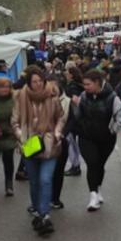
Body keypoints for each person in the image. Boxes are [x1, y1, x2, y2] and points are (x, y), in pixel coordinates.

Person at [11, 68, 65, 236]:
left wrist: (57, 132)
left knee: (45, 179)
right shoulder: (20, 97)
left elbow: (60, 118)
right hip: (30, 144)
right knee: (34, 181)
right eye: (34, 81)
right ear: (29, 83)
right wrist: (21, 136)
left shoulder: (53, 96)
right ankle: (37, 207)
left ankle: (44, 214)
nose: (38, 84)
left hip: (49, 144)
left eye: (40, 81)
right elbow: (15, 122)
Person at [67, 70, 121, 211]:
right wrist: (78, 124)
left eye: (88, 84)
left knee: (99, 165)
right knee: (92, 163)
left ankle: (97, 189)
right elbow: (78, 114)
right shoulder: (83, 97)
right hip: (87, 137)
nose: (85, 87)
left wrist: (113, 129)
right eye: (84, 84)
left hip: (106, 139)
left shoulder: (112, 97)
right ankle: (93, 196)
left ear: (98, 83)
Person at [50, 81, 72, 209]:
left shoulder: (68, 102)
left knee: (58, 171)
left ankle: (55, 198)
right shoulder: (37, 101)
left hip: (59, 141)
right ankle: (38, 202)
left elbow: (72, 120)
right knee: (40, 174)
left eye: (54, 87)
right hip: (39, 141)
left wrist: (62, 133)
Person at [63, 65, 85, 177]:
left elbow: (75, 100)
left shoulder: (72, 87)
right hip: (77, 118)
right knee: (72, 142)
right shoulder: (79, 85)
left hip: (72, 118)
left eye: (67, 72)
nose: (66, 74)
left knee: (70, 142)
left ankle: (75, 166)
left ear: (71, 75)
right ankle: (76, 166)